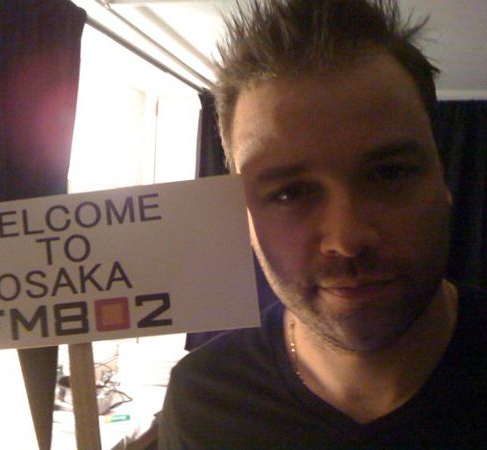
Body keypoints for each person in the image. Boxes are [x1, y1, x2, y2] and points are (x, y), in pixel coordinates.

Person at [158, 0, 487, 448]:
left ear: (443, 181)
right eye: (289, 193)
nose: (346, 239)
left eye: (390, 173)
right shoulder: (203, 401)